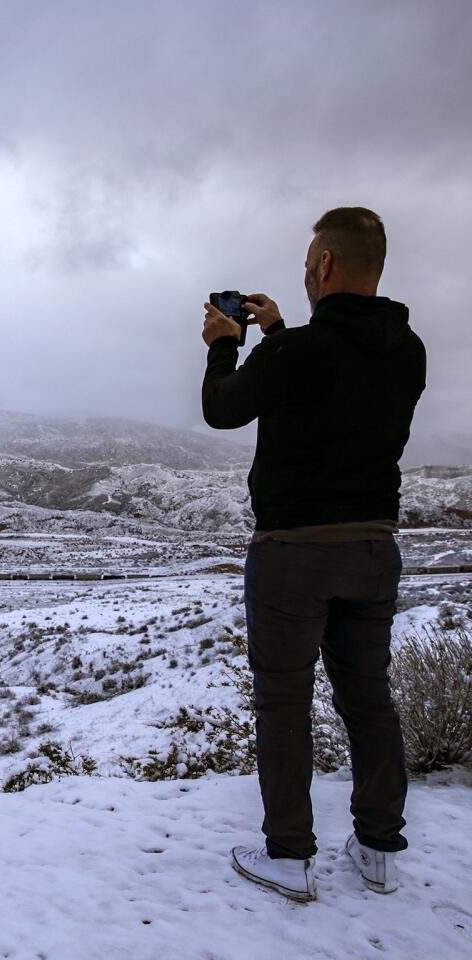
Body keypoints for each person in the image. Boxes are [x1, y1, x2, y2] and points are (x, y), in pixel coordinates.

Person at [200, 207, 426, 902]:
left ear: (325, 264)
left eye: (307, 263)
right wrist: (274, 330)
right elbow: (337, 382)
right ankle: (380, 847)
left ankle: (290, 857)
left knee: (284, 702)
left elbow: (223, 408)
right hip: (371, 547)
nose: (303, 272)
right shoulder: (407, 347)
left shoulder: (294, 353)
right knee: (368, 698)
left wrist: (225, 343)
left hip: (292, 552)